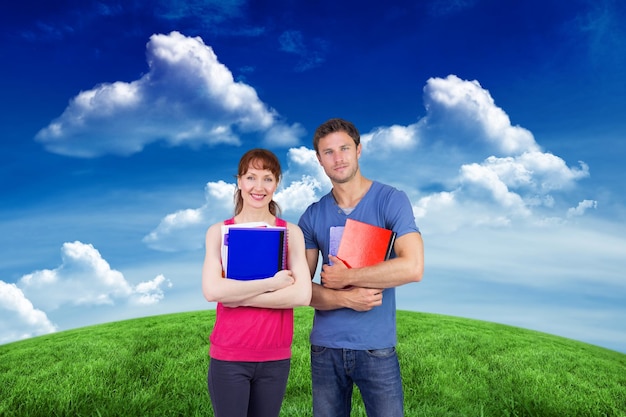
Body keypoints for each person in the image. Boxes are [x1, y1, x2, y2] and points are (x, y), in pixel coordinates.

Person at [298, 118, 424, 417]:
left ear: (359, 150)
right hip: (325, 348)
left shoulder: (391, 200)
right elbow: (300, 289)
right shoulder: (312, 215)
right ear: (319, 160)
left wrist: (347, 277)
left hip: (376, 348)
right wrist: (345, 297)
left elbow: (413, 267)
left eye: (344, 148)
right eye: (328, 152)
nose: (337, 158)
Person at [202, 148, 312, 417]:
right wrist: (273, 282)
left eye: (268, 178)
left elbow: (301, 296)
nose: (258, 187)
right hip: (229, 356)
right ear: (239, 181)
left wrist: (234, 295)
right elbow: (212, 291)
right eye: (251, 177)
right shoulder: (218, 232)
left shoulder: (291, 233)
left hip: (275, 358)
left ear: (276, 184)